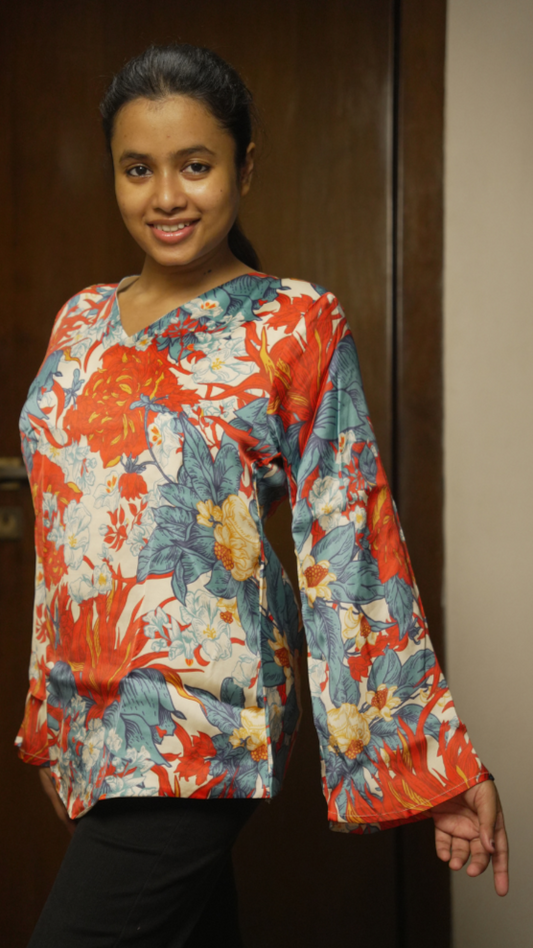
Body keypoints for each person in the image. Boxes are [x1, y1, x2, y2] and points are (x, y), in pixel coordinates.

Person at [16, 43, 508, 947]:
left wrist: (428, 763)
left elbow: (348, 534)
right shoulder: (79, 318)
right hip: (97, 715)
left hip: (201, 714)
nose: (166, 195)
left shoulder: (293, 319)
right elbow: (64, 525)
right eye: (138, 169)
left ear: (244, 167)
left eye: (194, 165)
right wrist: (52, 719)